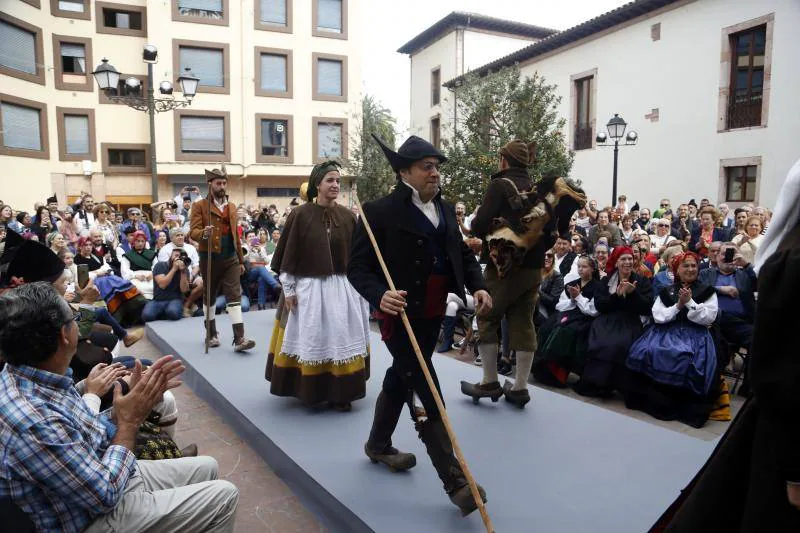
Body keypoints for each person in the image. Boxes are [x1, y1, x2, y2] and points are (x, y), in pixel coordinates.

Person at [0, 283, 239, 533]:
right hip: (93, 517)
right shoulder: (33, 420)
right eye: (76, 317)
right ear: (64, 334)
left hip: (98, 474)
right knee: (224, 496)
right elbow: (105, 493)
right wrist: (129, 420)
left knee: (208, 466)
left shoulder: (32, 375)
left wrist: (128, 404)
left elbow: (82, 433)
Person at [654, 158, 800, 532]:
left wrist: (692, 306)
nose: (690, 271)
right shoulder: (793, 265)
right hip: (787, 439)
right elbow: (785, 376)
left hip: (702, 332)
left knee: (688, 356)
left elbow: (709, 315)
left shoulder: (706, 287)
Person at [348, 135, 491, 515]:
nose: (435, 172)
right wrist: (379, 295)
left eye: (437, 166)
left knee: (403, 376)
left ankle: (377, 444)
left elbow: (462, 254)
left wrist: (477, 286)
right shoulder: (378, 212)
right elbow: (357, 267)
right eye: (427, 166)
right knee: (425, 385)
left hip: (433, 315)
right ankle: (456, 481)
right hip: (401, 317)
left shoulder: (444, 208)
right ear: (404, 171)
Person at [265, 161, 370, 410]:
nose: (335, 185)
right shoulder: (300, 215)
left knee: (340, 336)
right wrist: (288, 289)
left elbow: (358, 258)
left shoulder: (348, 216)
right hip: (310, 288)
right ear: (317, 185)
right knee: (313, 337)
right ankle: (312, 390)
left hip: (342, 290)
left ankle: (342, 393)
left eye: (337, 181)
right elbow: (288, 255)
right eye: (330, 180)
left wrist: (362, 289)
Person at [624, 252, 723, 427]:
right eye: (686, 265)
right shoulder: (667, 290)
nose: (691, 269)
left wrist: (690, 302)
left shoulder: (707, 291)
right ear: (676, 268)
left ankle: (680, 407)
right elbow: (658, 316)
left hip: (695, 334)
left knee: (683, 356)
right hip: (665, 330)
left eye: (694, 265)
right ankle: (650, 401)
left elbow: (709, 317)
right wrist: (678, 305)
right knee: (646, 350)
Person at [189, 166, 255, 352]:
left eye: (224, 183)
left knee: (234, 296)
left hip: (231, 258)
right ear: (210, 184)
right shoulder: (200, 206)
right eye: (219, 183)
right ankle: (211, 334)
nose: (222, 186)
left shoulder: (232, 207)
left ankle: (240, 338)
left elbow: (236, 235)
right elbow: (192, 233)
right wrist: (203, 233)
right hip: (209, 258)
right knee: (209, 296)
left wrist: (241, 261)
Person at [576, 246, 653, 397]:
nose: (627, 262)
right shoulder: (607, 280)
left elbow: (647, 307)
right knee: (599, 340)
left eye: (630, 258)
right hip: (607, 319)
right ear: (616, 262)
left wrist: (633, 294)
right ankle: (595, 383)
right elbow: (600, 305)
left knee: (618, 344)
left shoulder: (642, 281)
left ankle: (609, 384)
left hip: (629, 321)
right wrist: (616, 296)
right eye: (623, 259)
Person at [533, 254, 600, 387]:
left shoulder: (597, 287)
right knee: (547, 327)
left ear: (592, 269)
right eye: (579, 266)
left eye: (584, 267)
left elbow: (592, 310)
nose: (581, 269)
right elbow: (559, 305)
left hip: (584, 319)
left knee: (565, 331)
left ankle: (558, 375)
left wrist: (579, 297)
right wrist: (572, 299)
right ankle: (542, 369)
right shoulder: (571, 284)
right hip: (567, 313)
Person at [699, 243, 757, 350]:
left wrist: (746, 264)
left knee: (760, 339)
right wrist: (720, 289)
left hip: (742, 323)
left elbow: (761, 283)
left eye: (732, 253)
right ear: (716, 257)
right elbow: (698, 290)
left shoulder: (745, 274)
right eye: (724, 254)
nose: (728, 257)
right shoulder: (705, 274)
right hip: (714, 323)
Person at [142, 248, 190, 322]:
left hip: (175, 300)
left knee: (173, 313)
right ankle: (164, 313)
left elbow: (184, 290)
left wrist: (183, 272)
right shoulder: (160, 265)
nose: (179, 258)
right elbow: (162, 285)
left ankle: (168, 312)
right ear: (170, 256)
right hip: (158, 300)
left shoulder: (185, 270)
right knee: (146, 316)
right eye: (176, 255)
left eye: (181, 257)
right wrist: (174, 269)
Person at [120, 230, 156, 299]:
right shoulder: (127, 256)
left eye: (142, 241)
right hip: (135, 280)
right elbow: (125, 271)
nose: (140, 243)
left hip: (150, 279)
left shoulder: (152, 254)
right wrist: (135, 276)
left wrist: (152, 274)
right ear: (133, 242)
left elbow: (156, 267)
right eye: (138, 241)